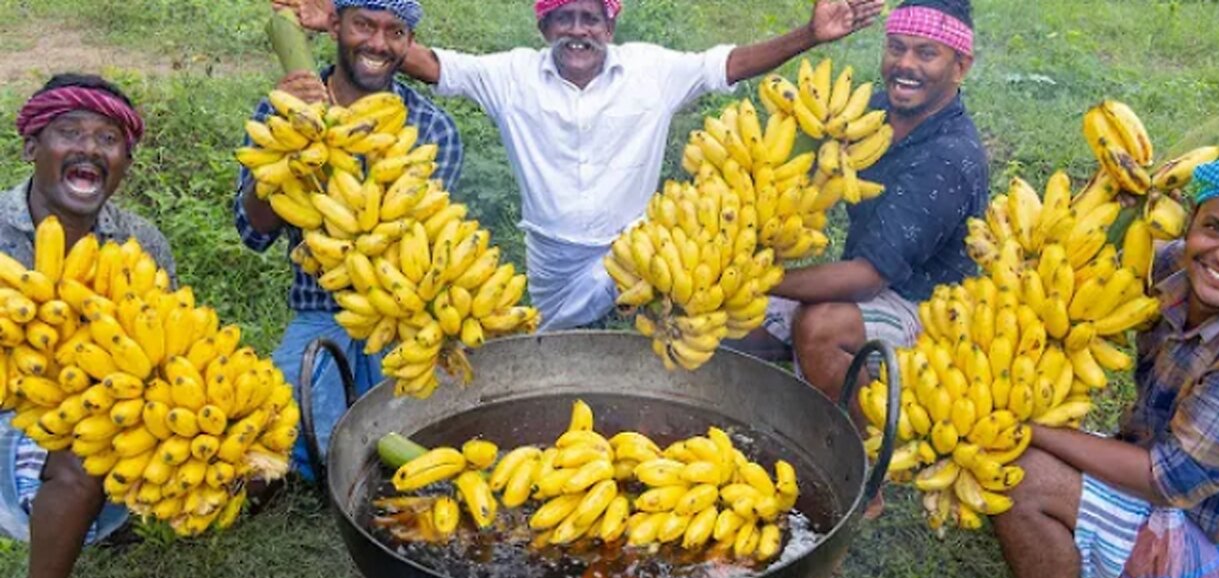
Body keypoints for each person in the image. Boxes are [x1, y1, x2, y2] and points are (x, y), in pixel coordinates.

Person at [273, 0, 886, 330]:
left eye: (589, 17)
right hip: (551, 262)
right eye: (563, 18)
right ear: (545, 25)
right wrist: (347, 28)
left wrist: (809, 33)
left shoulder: (652, 69)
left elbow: (727, 64)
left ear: (608, 25)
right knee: (544, 348)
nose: (577, 30)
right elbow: (431, 64)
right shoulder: (510, 75)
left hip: (642, 254)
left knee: (647, 350)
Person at [994, 153, 1219, 578]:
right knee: (1029, 452)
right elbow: (1070, 277)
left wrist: (1031, 427)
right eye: (1215, 227)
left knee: (1019, 473)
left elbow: (1166, 480)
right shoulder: (1171, 265)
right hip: (1167, 460)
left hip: (1212, 535)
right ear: (1188, 223)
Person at [236, 0, 463, 479]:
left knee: (426, 427)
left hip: (399, 306)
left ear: (407, 43)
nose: (378, 43)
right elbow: (253, 230)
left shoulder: (433, 128)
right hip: (321, 306)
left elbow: (409, 238)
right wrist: (287, 143)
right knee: (289, 441)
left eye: (395, 32)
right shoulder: (282, 108)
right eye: (364, 25)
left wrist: (337, 146)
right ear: (336, 26)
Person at [1, 74, 175, 578]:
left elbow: (169, 348)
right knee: (82, 441)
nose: (90, 148)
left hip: (112, 410)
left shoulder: (140, 244)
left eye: (108, 138)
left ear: (125, 161)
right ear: (32, 145)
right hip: (16, 421)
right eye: (68, 132)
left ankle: (106, 522)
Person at [741, 0, 988, 404]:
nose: (905, 64)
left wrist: (757, 281)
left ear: (960, 67)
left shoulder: (949, 158)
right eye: (896, 47)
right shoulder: (870, 115)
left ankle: (857, 452)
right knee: (726, 319)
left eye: (926, 53)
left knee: (819, 325)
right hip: (863, 282)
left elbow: (869, 278)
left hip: (925, 309)